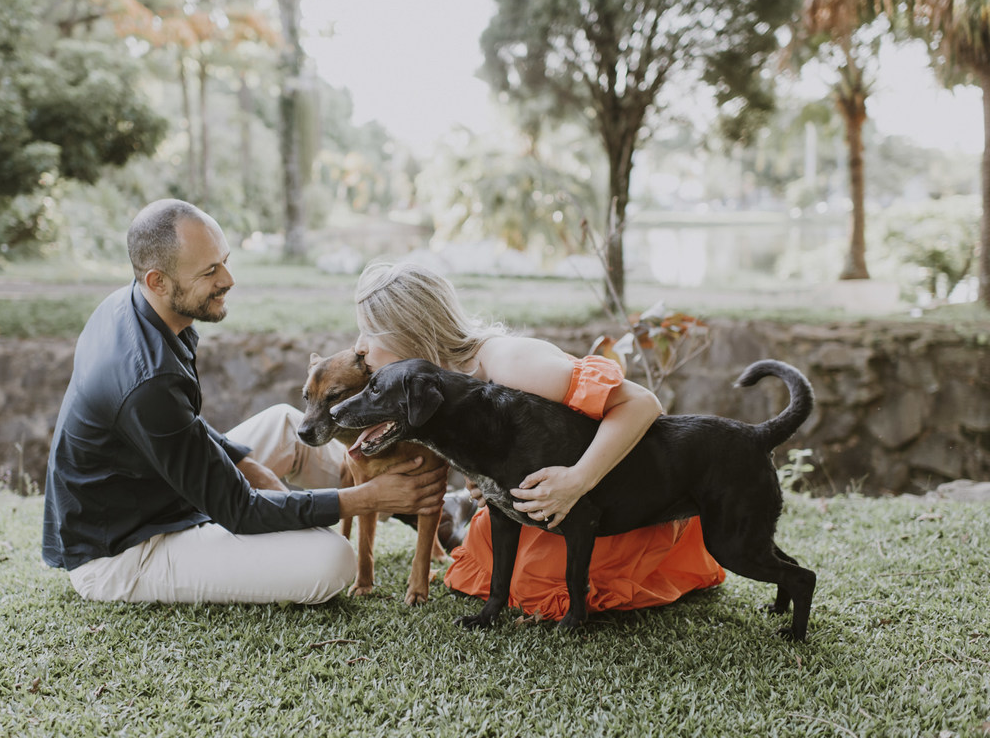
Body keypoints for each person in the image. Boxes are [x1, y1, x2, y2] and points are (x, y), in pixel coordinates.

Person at [42, 200, 447, 606]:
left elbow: (182, 428)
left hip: (159, 490)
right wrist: (367, 499)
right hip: (126, 549)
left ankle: (417, 507)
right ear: (158, 281)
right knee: (332, 561)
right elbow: (239, 509)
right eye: (210, 271)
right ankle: (390, 496)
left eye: (224, 261)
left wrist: (243, 463)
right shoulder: (149, 378)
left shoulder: (137, 307)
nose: (229, 279)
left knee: (287, 425)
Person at [353, 261, 726, 621]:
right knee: (487, 565)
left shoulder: (511, 362)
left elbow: (642, 403)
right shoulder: (438, 389)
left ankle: (461, 515)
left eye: (369, 331)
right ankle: (463, 512)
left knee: (534, 586)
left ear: (408, 330)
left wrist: (578, 478)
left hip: (618, 504)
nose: (359, 347)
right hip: (542, 510)